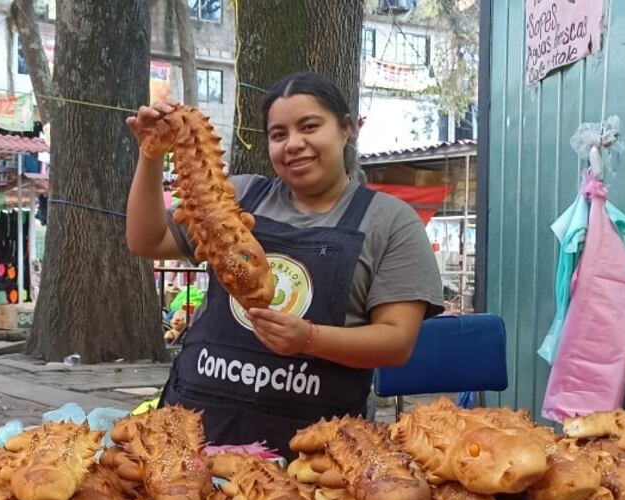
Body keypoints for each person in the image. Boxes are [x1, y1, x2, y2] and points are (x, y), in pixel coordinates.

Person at [125, 72, 444, 455]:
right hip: (193, 433)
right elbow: (147, 240)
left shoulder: (390, 221)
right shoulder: (235, 198)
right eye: (278, 135)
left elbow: (397, 341)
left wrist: (309, 339)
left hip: (310, 455)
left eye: (309, 126)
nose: (294, 144)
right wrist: (150, 155)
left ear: (346, 129)